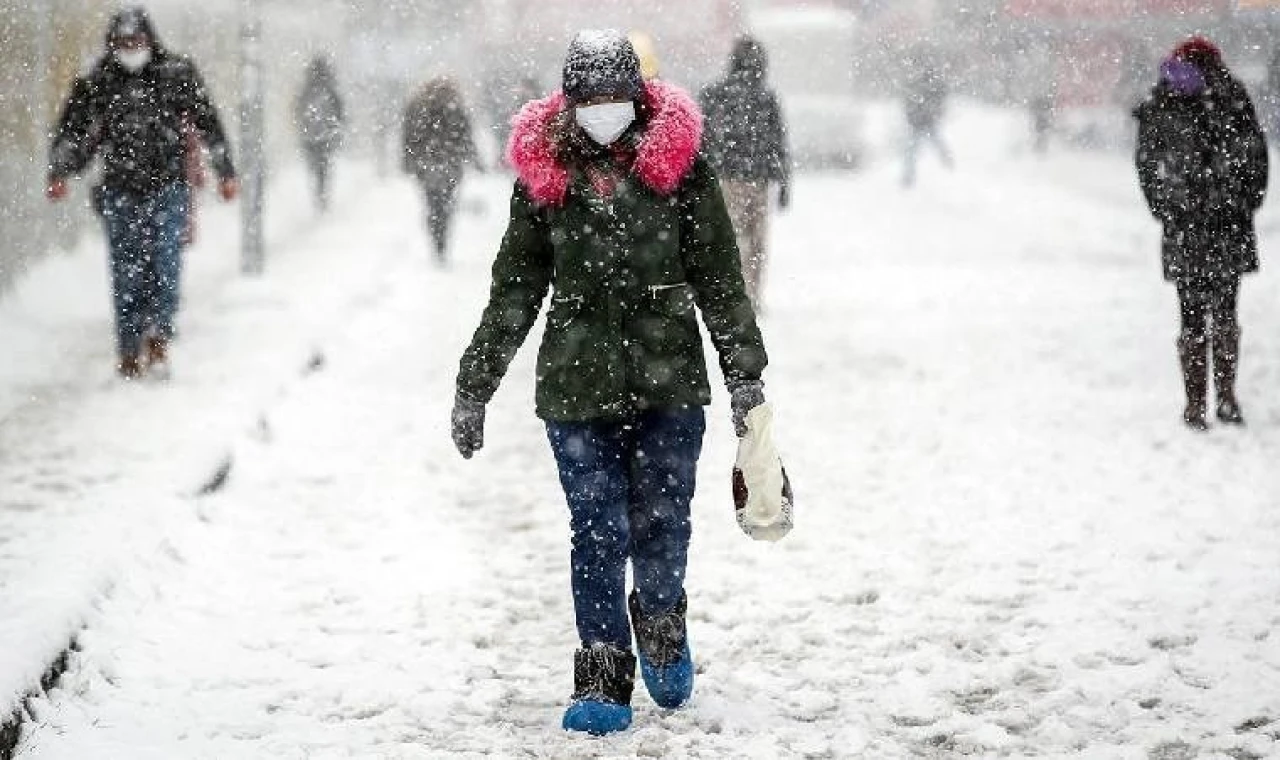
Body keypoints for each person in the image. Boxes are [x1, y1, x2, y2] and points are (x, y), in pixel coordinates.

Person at [451, 30, 769, 735]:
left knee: (661, 521)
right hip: (575, 386)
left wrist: (746, 379)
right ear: (570, 101)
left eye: (614, 97)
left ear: (637, 96)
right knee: (596, 528)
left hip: (670, 383)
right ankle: (600, 671)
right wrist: (475, 384)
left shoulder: (682, 170)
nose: (603, 109)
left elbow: (720, 280)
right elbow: (514, 288)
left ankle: (660, 620)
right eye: (589, 98)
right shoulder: (545, 177)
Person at [46, 6, 237, 380]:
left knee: (165, 265)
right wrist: (60, 170)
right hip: (120, 191)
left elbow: (208, 122)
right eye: (123, 43)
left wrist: (225, 171)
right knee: (126, 272)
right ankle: (129, 347)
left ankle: (159, 338)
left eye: (136, 41)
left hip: (169, 187)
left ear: (150, 40)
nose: (131, 48)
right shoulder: (98, 80)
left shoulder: (176, 74)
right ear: (112, 44)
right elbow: (72, 130)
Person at [1135, 37, 1268, 430]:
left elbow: (1147, 165)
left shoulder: (1169, 104)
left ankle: (1200, 404)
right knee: (1222, 312)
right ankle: (1220, 399)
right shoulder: (1230, 99)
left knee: (1195, 316)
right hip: (1216, 225)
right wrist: (1240, 201)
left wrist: (1170, 205)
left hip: (1197, 226)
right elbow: (1255, 158)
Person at [699, 36, 791, 310]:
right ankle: (752, 295)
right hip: (758, 180)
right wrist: (784, 182)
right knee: (757, 242)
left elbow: (702, 140)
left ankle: (732, 295)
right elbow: (778, 142)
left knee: (731, 239)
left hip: (725, 179)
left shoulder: (715, 94)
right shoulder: (766, 98)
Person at [401, 76, 479, 264]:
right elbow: (466, 136)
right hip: (450, 163)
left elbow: (408, 136)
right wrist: (473, 158)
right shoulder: (456, 106)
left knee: (432, 203)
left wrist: (407, 160)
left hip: (426, 164)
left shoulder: (417, 106)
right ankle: (441, 238)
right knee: (445, 204)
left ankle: (436, 236)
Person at [294, 56, 345, 212]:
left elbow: (298, 109)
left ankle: (319, 193)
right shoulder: (329, 88)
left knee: (315, 165)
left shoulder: (307, 88)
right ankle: (322, 193)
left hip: (310, 136)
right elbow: (340, 110)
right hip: (325, 136)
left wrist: (302, 129)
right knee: (323, 166)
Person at [902, 53, 953, 187]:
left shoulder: (919, 84)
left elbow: (909, 102)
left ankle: (909, 176)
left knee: (913, 150)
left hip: (922, 120)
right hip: (923, 120)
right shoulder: (927, 85)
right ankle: (947, 164)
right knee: (921, 148)